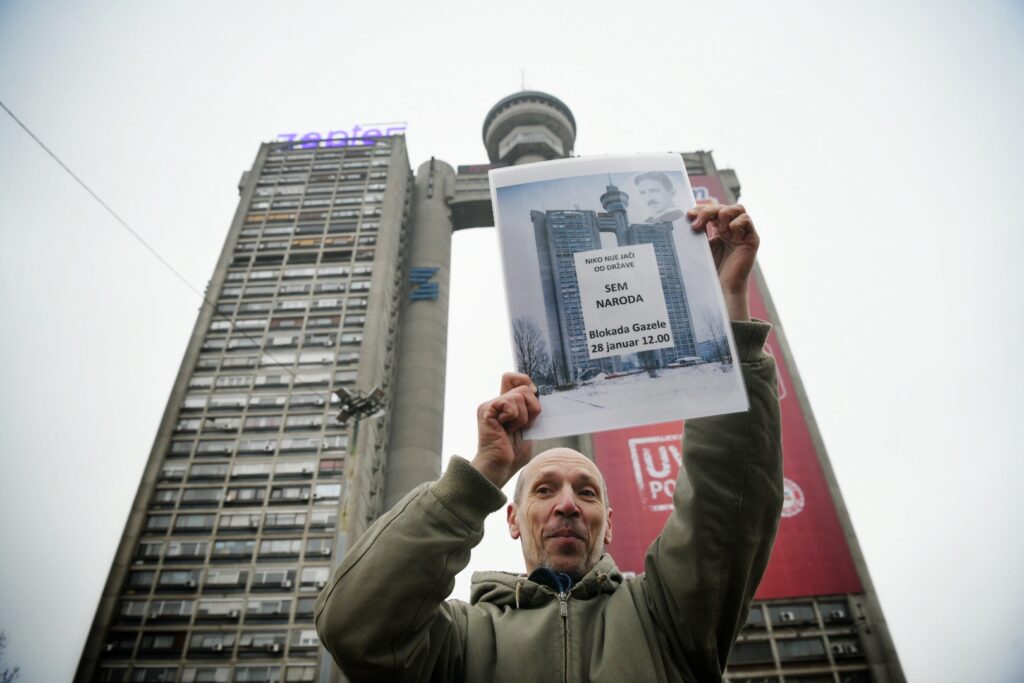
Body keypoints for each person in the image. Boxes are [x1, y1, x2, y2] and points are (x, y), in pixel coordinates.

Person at [316, 204, 782, 682]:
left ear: (609, 524)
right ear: (512, 520)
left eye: (586, 491)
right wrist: (479, 476)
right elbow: (354, 628)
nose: (567, 506)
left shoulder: (667, 617)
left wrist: (727, 308)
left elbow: (729, 498)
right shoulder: (460, 640)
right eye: (543, 490)